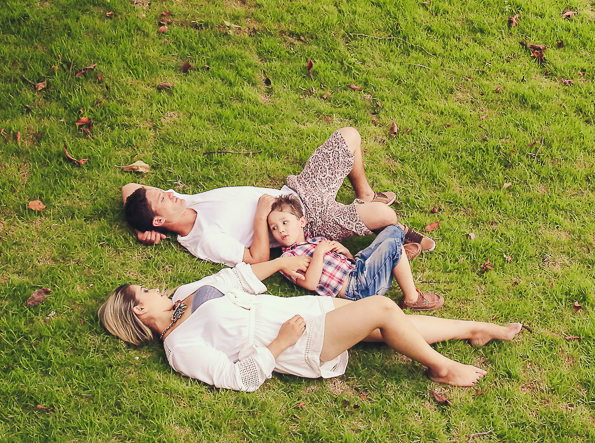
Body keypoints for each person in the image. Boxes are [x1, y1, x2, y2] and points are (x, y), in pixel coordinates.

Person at [98, 260, 522, 392]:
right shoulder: (180, 348)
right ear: (139, 310)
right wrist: (280, 344)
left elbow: (236, 279)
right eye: (145, 291)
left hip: (299, 308)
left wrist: (282, 261)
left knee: (388, 326)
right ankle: (442, 368)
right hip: (298, 342)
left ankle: (474, 330)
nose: (154, 288)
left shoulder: (184, 293)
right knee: (381, 309)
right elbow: (237, 379)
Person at [121, 127, 435, 266]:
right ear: (160, 219)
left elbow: (128, 188)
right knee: (386, 216)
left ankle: (365, 195)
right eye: (162, 199)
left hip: (300, 190)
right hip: (307, 221)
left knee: (349, 136)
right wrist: (261, 216)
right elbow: (256, 259)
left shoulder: (184, 203)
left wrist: (141, 227)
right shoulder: (204, 239)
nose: (170, 194)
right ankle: (390, 236)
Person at [267, 195, 443, 311]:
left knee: (393, 230)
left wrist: (345, 252)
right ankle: (411, 298)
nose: (280, 230)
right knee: (393, 241)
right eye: (274, 228)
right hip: (358, 289)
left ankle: (394, 258)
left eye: (284, 222)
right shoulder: (288, 258)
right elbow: (310, 283)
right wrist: (319, 253)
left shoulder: (316, 240)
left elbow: (346, 262)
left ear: (302, 222)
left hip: (357, 268)